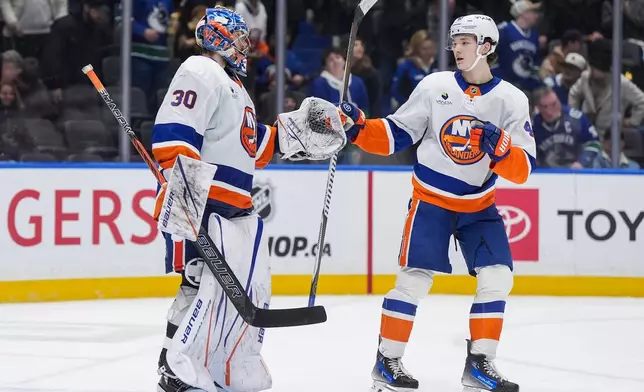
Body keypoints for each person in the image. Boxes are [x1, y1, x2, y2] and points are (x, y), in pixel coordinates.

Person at [338, 14, 536, 392]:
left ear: (487, 46)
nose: (457, 48)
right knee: (412, 281)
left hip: (479, 207)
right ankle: (387, 360)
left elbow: (523, 169)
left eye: (466, 41)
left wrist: (502, 150)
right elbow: (396, 134)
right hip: (431, 202)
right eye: (455, 41)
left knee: (498, 277)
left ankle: (480, 363)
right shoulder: (435, 86)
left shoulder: (512, 99)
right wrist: (360, 128)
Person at [150, 7, 344, 392]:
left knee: (237, 290)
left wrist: (299, 135)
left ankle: (218, 365)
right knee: (199, 282)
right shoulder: (200, 71)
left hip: (234, 208)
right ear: (220, 39)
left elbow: (249, 147)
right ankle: (174, 365)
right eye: (240, 39)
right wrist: (190, 209)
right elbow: (174, 138)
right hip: (203, 201)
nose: (247, 46)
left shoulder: (235, 87)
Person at [532, 87, 600, 168]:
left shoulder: (576, 119)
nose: (553, 109)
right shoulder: (533, 125)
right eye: (546, 106)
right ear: (538, 108)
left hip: (575, 174)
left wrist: (582, 162)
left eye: (555, 103)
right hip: (546, 175)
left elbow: (594, 143)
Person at [493, 0, 542, 93]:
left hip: (525, 89)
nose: (537, 16)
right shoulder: (503, 31)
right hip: (503, 87)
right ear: (523, 13)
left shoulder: (534, 35)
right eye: (533, 12)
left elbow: (535, 64)